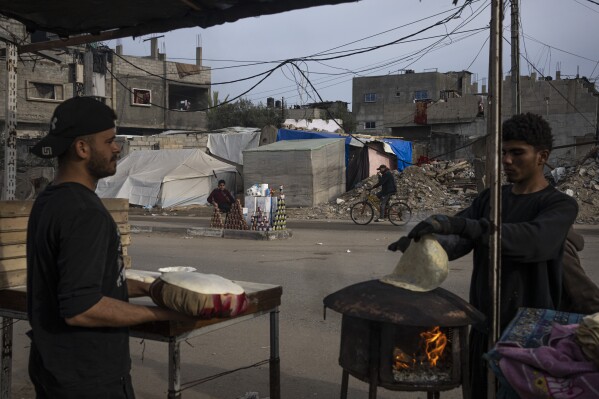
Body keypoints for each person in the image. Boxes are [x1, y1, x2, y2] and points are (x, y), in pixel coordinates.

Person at [388, 113, 578, 398]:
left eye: (517, 153)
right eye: (504, 152)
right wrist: (423, 243)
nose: (507, 160)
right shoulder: (491, 198)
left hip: (529, 334)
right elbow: (458, 239)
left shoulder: (559, 205)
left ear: (542, 156)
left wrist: (467, 226)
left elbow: (534, 242)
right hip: (483, 323)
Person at [26, 96, 191, 399]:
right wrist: (163, 314)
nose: (117, 148)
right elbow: (82, 308)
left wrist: (152, 288)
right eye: (110, 141)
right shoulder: (84, 213)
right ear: (82, 148)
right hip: (88, 378)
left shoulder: (50, 201)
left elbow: (89, 282)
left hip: (55, 367)